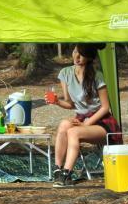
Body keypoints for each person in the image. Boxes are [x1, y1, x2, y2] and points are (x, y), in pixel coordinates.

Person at [45, 43, 120, 186]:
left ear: (89, 57)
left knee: (73, 132)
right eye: (74, 52)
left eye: (81, 54)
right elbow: (70, 104)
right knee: (63, 125)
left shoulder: (97, 76)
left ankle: (67, 174)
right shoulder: (65, 73)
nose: (76, 56)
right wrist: (57, 102)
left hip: (101, 121)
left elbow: (105, 107)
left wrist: (87, 123)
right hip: (81, 119)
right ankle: (58, 170)